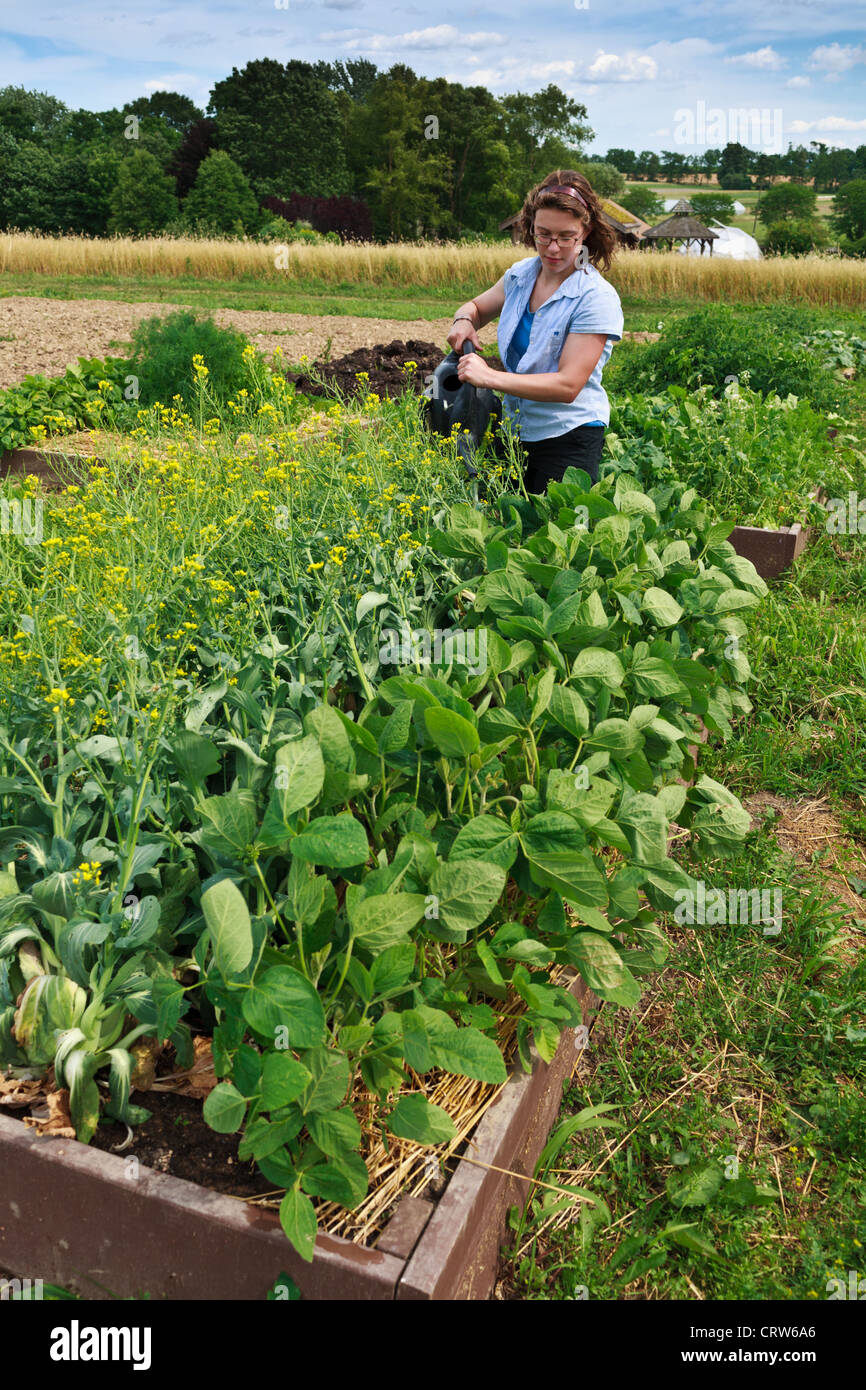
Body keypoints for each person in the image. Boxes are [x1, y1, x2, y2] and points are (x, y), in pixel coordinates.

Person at [448, 169, 623, 493]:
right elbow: (475, 307)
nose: (553, 248)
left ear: (585, 232)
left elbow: (568, 385)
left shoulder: (595, 297)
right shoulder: (521, 276)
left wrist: (489, 378)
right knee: (506, 528)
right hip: (517, 432)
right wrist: (463, 322)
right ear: (531, 228)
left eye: (566, 237)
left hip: (568, 437)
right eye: (543, 234)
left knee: (555, 537)